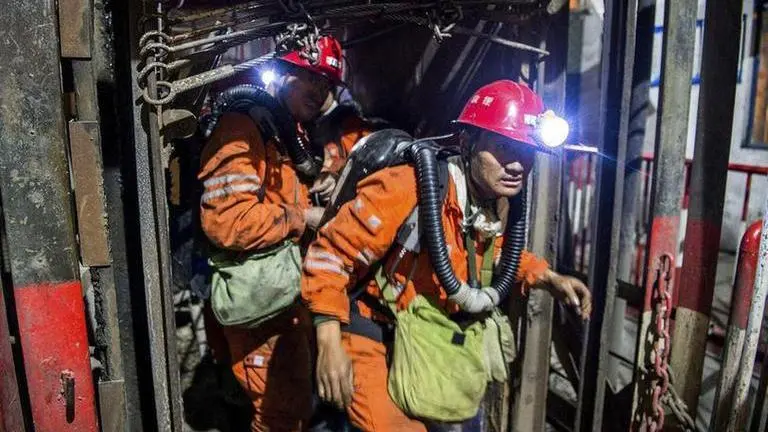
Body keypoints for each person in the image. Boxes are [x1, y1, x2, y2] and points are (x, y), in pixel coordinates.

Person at [301, 80, 593, 431]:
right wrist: (328, 341)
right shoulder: (409, 185)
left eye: (526, 152)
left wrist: (547, 277)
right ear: (468, 143)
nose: (517, 165)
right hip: (373, 330)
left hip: (429, 334)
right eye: (503, 147)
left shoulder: (489, 201)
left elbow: (494, 254)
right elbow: (330, 253)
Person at [198, 35, 343, 431]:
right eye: (309, 76)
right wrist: (304, 217)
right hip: (260, 304)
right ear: (282, 72)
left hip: (285, 295)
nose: (319, 89)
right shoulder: (240, 128)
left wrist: (323, 179)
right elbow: (229, 221)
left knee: (292, 409)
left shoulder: (288, 131)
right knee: (278, 415)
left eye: (326, 83)